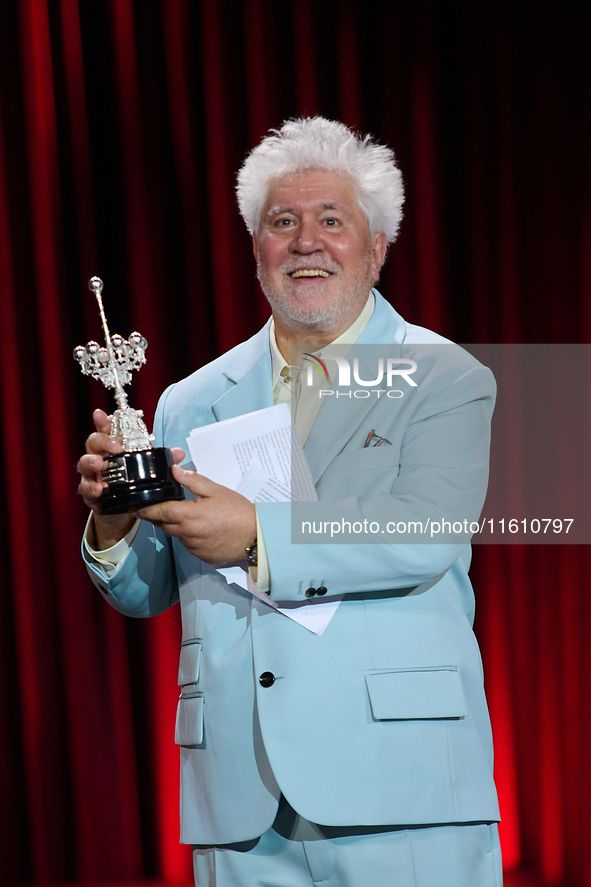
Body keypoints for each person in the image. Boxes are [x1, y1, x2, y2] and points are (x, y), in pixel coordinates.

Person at [78, 117, 502, 887]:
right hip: (239, 801)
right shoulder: (189, 398)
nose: (306, 241)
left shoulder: (444, 375)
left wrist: (255, 535)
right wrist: (113, 515)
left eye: (331, 221)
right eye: (283, 222)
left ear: (377, 248)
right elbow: (147, 590)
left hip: (398, 788)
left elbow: (423, 533)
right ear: (256, 252)